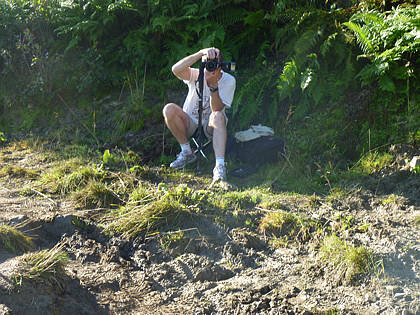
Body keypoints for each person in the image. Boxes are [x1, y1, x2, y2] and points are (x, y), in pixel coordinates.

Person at [163, 47, 236, 186]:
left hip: (211, 126)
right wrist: (201, 53)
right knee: (169, 109)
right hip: (190, 122)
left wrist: (213, 86)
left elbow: (217, 109)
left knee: (219, 116)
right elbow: (175, 69)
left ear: (220, 66)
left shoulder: (228, 80)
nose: (209, 69)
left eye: (213, 65)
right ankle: (186, 152)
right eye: (206, 65)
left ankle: (219, 167)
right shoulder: (196, 74)